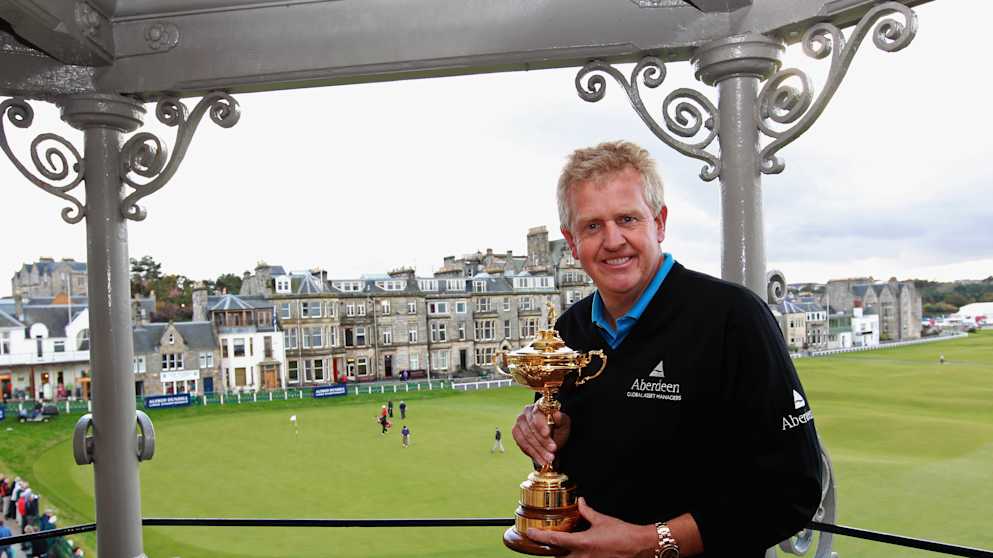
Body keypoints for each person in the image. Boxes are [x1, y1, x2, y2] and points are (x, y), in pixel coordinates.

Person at [511, 141, 822, 558]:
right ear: (571, 242)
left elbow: (792, 490)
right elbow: (579, 473)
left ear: (659, 223)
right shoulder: (570, 330)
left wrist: (649, 544)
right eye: (592, 226)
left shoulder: (734, 317)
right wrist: (551, 442)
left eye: (627, 219)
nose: (613, 240)